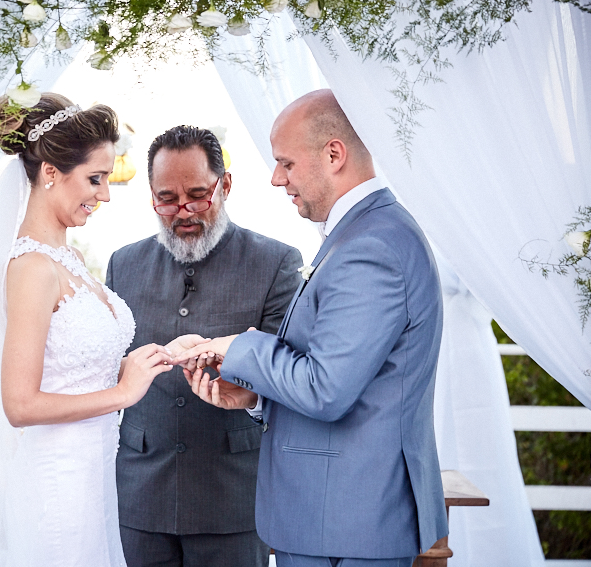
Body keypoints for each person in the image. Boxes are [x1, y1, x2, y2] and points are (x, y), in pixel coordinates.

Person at [0, 93, 203, 567]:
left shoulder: (69, 260)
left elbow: (78, 368)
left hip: (91, 482)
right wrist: (123, 394)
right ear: (50, 172)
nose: (105, 194)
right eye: (95, 178)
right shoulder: (32, 267)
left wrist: (157, 357)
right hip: (56, 486)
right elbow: (20, 405)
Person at [176, 90, 449, 567]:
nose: (277, 178)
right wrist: (255, 396)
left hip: (347, 524)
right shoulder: (362, 234)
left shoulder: (373, 247)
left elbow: (327, 389)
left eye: (286, 163)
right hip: (333, 519)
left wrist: (239, 348)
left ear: (334, 154)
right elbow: (351, 378)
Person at [106, 125, 303, 567]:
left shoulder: (277, 262)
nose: (183, 211)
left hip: (233, 497)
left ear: (226, 184)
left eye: (198, 194)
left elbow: (287, 372)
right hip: (139, 497)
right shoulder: (123, 264)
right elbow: (107, 366)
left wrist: (236, 373)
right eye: (167, 199)